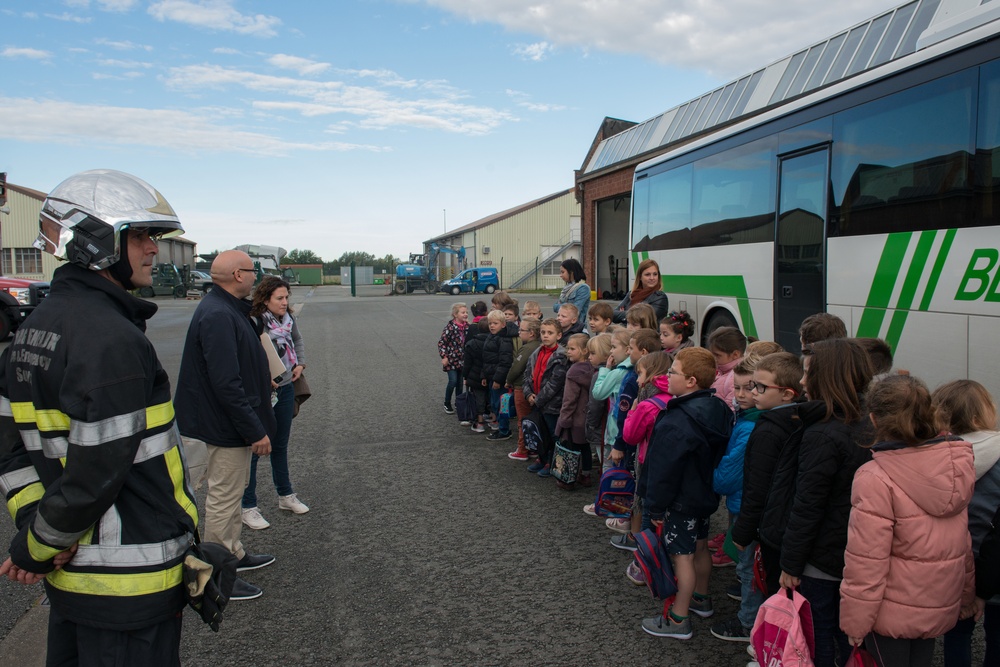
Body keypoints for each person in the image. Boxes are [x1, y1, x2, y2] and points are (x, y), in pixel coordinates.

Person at [0, 169, 197, 664]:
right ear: (96, 242)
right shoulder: (111, 339)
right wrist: (38, 546)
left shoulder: (35, 326)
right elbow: (96, 473)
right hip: (128, 585)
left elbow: (11, 448)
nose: (153, 249)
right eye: (141, 236)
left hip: (74, 579)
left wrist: (35, 528)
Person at [841, 375, 976, 667]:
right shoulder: (955, 465)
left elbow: (867, 561)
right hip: (938, 602)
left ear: (874, 420)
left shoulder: (874, 477)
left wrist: (855, 621)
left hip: (889, 612)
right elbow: (962, 542)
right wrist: (966, 595)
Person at [175, 249, 277, 602]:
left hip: (224, 422)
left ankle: (233, 554)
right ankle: (217, 577)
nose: (256, 277)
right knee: (223, 497)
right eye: (253, 271)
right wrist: (254, 429)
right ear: (238, 275)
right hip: (222, 426)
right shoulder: (218, 314)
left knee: (232, 493)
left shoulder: (227, 308)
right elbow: (225, 383)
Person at [778, 338, 875, 667]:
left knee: (818, 634)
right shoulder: (872, 423)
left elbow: (807, 505)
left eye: (808, 373)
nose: (803, 382)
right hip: (862, 553)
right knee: (853, 639)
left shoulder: (822, 433)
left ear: (828, 377)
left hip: (822, 558)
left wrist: (790, 564)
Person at [640, 347, 733, 640]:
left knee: (682, 556)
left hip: (680, 500)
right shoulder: (719, 408)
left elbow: (663, 471)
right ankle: (701, 599)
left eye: (673, 372)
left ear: (691, 381)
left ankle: (678, 619)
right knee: (702, 547)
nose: (668, 376)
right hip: (705, 495)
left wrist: (654, 507)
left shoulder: (677, 420)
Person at [730, 352, 804, 606]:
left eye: (760, 387)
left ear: (787, 393)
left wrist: (742, 531)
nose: (753, 393)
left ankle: (753, 627)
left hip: (768, 525)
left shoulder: (768, 430)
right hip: (783, 522)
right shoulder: (797, 419)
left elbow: (757, 486)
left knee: (762, 578)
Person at [935, 380, 1000, 667]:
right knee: (997, 636)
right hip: (995, 560)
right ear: (979, 416)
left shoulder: (937, 456)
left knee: (957, 634)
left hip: (954, 562)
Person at [240, 276, 309, 532]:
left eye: (287, 297)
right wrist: (262, 375)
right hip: (263, 391)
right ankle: (248, 506)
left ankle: (285, 495)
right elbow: (248, 353)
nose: (285, 302)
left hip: (287, 386)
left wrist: (300, 363)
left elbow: (298, 341)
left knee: (280, 444)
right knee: (257, 448)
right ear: (265, 298)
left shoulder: (288, 320)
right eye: (279, 298)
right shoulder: (255, 321)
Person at [620, 351, 674, 580]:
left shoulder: (646, 403)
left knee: (648, 519)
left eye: (640, 373)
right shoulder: (674, 395)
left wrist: (632, 410)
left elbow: (631, 436)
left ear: (650, 374)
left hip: (648, 464)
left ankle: (644, 566)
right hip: (672, 466)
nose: (637, 379)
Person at [524, 319, 569, 478]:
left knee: (553, 434)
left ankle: (553, 461)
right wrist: (528, 393)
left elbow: (555, 384)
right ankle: (542, 458)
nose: (545, 336)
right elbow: (527, 376)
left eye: (550, 333)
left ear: (559, 335)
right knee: (539, 432)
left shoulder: (562, 356)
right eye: (543, 332)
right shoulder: (536, 352)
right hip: (536, 401)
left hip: (552, 405)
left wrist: (538, 400)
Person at [555, 333, 597, 489]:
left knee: (570, 448)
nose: (568, 351)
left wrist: (564, 420)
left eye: (572, 348)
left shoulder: (573, 372)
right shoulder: (593, 369)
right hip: (587, 418)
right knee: (585, 447)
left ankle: (567, 477)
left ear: (584, 350)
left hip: (573, 419)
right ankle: (585, 475)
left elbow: (569, 400)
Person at [505, 318, 541, 461]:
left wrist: (508, 381)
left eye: (522, 330)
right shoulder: (540, 346)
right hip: (534, 388)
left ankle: (522, 449)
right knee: (533, 419)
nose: (519, 332)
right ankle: (532, 447)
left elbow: (516, 368)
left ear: (531, 333)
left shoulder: (527, 348)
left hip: (522, 387)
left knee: (522, 420)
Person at [482, 310, 514, 441]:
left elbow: (505, 362)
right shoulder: (491, 336)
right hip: (491, 376)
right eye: (490, 323)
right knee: (495, 404)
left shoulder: (504, 339)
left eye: (495, 323)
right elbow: (486, 358)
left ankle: (504, 430)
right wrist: (484, 375)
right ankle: (501, 428)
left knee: (501, 405)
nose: (492, 326)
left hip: (498, 379)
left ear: (503, 324)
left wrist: (497, 379)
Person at [612, 258, 669, 323]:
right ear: (640, 277)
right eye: (647, 274)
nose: (652, 278)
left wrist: (624, 314)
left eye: (655, 274)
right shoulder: (631, 294)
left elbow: (644, 319)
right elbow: (613, 314)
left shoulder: (660, 297)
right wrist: (630, 315)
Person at [438, 302, 469, 414]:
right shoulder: (450, 327)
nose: (465, 314)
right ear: (455, 314)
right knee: (453, 381)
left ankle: (459, 402)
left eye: (466, 312)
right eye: (463, 312)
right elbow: (442, 343)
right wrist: (444, 356)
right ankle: (447, 402)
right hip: (451, 360)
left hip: (463, 360)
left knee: (460, 383)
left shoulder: (468, 327)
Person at [707, 326, 747, 410]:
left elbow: (731, 409)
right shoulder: (721, 371)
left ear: (735, 354)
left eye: (717, 355)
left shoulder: (734, 377)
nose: (714, 358)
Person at [462, 318, 490, 433]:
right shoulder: (494, 341)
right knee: (491, 397)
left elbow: (467, 363)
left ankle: (480, 422)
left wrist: (465, 376)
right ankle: (494, 420)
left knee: (479, 398)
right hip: (490, 374)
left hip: (475, 375)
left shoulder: (471, 344)